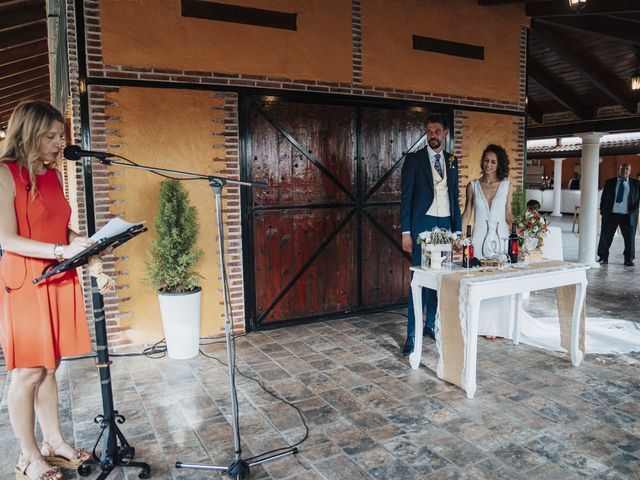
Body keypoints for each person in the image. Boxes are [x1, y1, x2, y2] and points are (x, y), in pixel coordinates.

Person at [0, 102, 94, 480]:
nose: (60, 143)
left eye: (62, 136)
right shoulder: (5, 174)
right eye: (52, 136)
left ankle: (54, 442)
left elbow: (59, 227)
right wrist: (60, 250)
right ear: (29, 132)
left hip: (57, 275)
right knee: (27, 372)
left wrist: (78, 240)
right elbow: (5, 237)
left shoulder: (53, 176)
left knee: (50, 367)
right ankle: (28, 456)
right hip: (25, 279)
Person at [400, 114, 461, 356]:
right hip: (421, 223)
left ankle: (430, 325)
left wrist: (456, 230)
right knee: (418, 281)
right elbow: (406, 198)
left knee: (439, 280)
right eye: (429, 131)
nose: (432, 134)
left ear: (445, 133)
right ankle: (411, 335)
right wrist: (406, 232)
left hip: (445, 222)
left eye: (437, 130)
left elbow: (454, 196)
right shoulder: (414, 160)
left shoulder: (453, 160)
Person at [461, 144, 513, 339]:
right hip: (480, 236)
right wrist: (461, 236)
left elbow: (508, 214)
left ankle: (496, 325)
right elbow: (467, 213)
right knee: (479, 279)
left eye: (493, 161)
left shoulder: (507, 185)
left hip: (501, 237)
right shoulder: (472, 186)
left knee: (499, 279)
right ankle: (479, 323)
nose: (488, 164)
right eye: (486, 160)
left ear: (499, 164)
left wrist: (524, 228)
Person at [597, 163, 640, 266]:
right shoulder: (609, 183)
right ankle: (603, 257)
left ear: (630, 171)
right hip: (611, 215)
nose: (624, 171)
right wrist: (603, 211)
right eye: (622, 169)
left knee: (630, 238)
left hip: (628, 216)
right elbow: (603, 198)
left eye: (626, 169)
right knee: (605, 237)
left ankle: (628, 259)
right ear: (618, 170)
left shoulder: (636, 184)